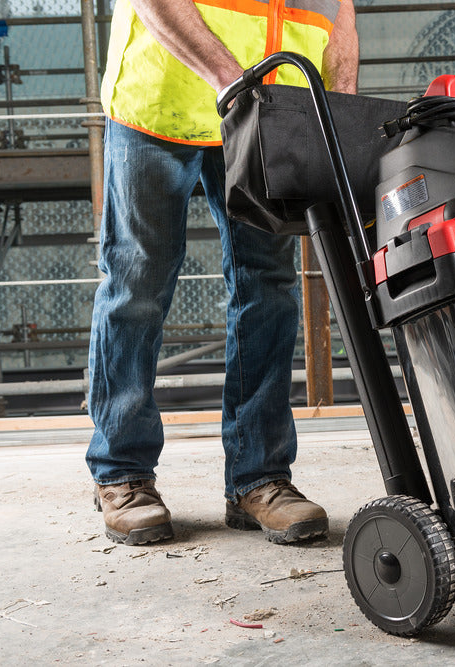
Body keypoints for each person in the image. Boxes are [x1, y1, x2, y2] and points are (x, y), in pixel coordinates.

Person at [87, 0, 358, 546]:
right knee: (137, 282)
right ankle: (122, 473)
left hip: (269, 111)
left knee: (269, 287)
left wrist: (340, 113)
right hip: (163, 98)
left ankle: (259, 478)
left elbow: (339, 14)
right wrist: (233, 80)